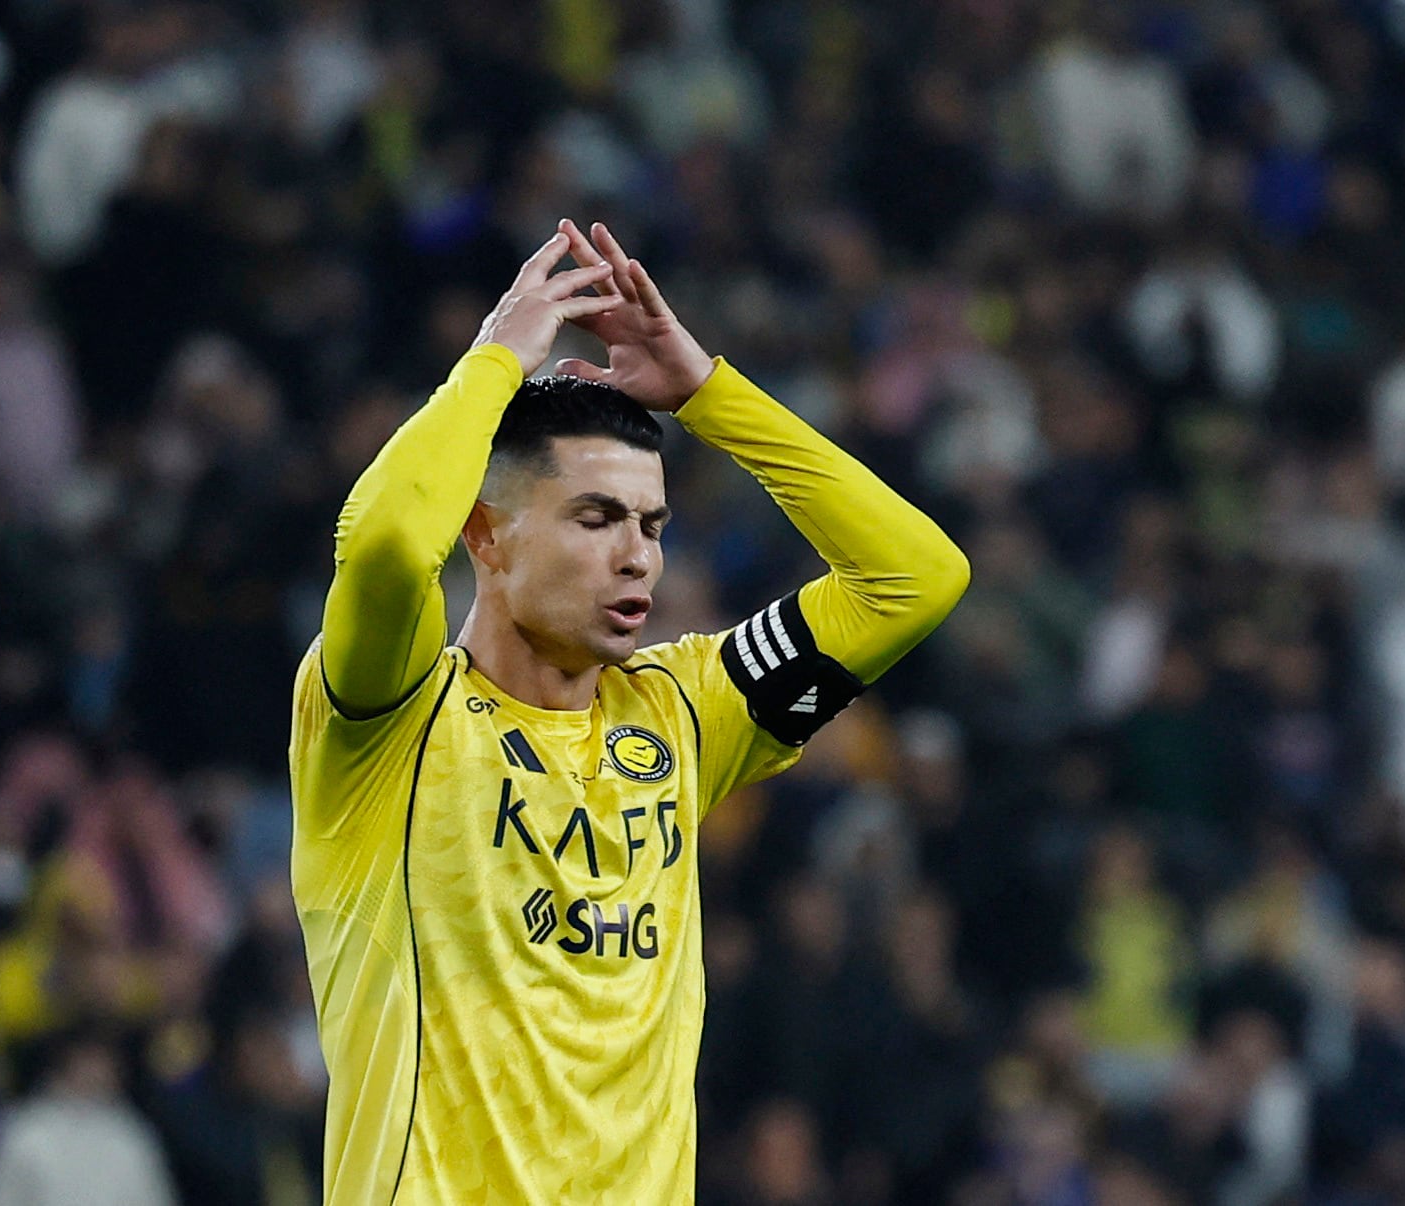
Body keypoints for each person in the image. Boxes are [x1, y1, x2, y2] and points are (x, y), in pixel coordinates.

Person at [289, 219, 970, 1202]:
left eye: (651, 525)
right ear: (485, 535)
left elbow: (914, 579)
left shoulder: (683, 712)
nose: (638, 556)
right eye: (596, 518)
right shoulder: (386, 719)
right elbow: (391, 544)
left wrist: (708, 395)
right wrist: (490, 366)